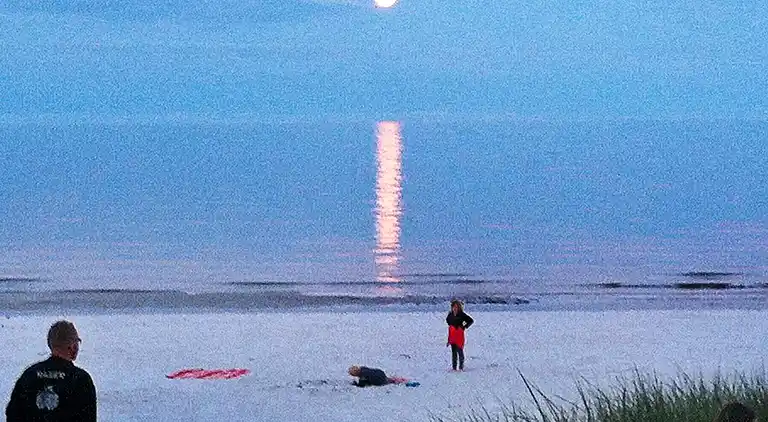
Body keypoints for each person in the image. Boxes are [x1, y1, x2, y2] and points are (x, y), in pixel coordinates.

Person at [6, 320, 97, 422]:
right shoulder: (81, 380)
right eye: (77, 342)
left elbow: (12, 415)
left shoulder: (29, 376)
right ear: (73, 347)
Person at [446, 299, 473, 371]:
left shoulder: (462, 315)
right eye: (454, 307)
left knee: (460, 351)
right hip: (452, 335)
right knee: (453, 353)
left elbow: (470, 321)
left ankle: (461, 367)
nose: (455, 308)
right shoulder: (450, 315)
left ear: (459, 308)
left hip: (459, 335)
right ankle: (454, 368)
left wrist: (462, 326)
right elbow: (448, 321)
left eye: (456, 307)